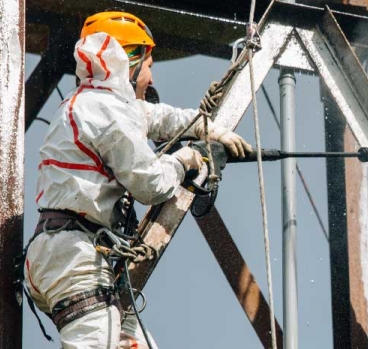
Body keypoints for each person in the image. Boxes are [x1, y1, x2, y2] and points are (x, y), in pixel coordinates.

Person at [23, 11, 251, 348]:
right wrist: (187, 158)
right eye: (149, 66)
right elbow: (152, 185)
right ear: (128, 63)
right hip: (76, 259)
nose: (152, 78)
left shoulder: (94, 103)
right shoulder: (107, 112)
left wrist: (207, 128)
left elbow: (158, 117)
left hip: (68, 256)